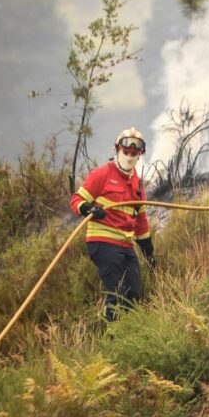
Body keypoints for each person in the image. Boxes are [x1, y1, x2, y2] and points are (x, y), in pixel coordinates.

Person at [70, 127, 154, 320]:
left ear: (140, 154)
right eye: (126, 151)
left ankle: (128, 337)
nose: (130, 155)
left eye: (135, 152)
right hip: (103, 242)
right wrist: (89, 209)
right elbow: (76, 201)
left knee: (133, 295)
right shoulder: (102, 174)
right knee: (117, 294)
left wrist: (149, 253)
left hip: (125, 245)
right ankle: (111, 337)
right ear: (117, 149)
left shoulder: (138, 185)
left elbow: (141, 222)